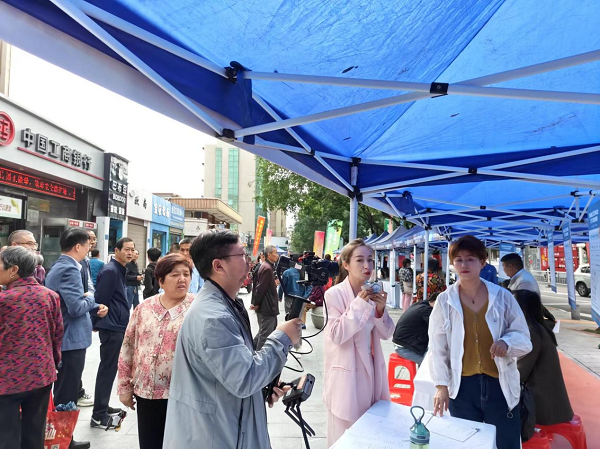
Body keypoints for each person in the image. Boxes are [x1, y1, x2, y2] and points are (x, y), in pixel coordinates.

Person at [162, 230, 302, 448]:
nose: (248, 262)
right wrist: (282, 338)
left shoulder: (227, 304)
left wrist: (262, 386)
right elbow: (245, 379)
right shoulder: (213, 318)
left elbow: (233, 371)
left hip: (226, 425)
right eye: (242, 255)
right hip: (214, 436)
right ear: (219, 266)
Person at [429, 235, 532, 449]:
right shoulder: (444, 301)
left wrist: (507, 343)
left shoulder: (502, 297)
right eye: (458, 260)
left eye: (470, 259)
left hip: (499, 385)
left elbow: (524, 338)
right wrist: (441, 385)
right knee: (467, 444)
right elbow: (437, 347)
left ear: (482, 262)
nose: (464, 265)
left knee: (506, 443)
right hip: (463, 387)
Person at [117, 254, 195, 449]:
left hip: (184, 395)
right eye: (175, 275)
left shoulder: (197, 309)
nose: (182, 279)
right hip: (147, 394)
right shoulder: (144, 308)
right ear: (160, 280)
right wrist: (124, 387)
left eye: (186, 274)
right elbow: (128, 347)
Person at [323, 239, 395, 447]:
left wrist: (380, 311)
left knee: (372, 435)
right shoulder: (334, 295)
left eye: (370, 260)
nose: (367, 265)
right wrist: (359, 305)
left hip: (372, 371)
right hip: (347, 376)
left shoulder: (373, 293)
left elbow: (387, 334)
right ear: (346, 264)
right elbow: (336, 335)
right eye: (360, 260)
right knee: (345, 438)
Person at [46, 228, 108, 449]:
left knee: (66, 389)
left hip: (68, 338)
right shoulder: (69, 269)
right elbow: (76, 307)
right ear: (78, 246)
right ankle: (63, 441)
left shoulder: (66, 265)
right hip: (70, 339)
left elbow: (82, 295)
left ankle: (63, 438)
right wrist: (91, 298)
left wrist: (91, 299)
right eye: (88, 244)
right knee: (66, 392)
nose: (90, 248)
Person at [0, 247, 64, 449]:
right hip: (41, 375)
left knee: (6, 436)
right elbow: (57, 335)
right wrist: (53, 363)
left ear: (13, 270)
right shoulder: (50, 296)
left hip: (6, 380)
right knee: (35, 432)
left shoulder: (4, 300)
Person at [90, 237, 134, 429]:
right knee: (107, 369)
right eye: (126, 249)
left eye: (132, 249)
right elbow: (101, 298)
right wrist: (96, 321)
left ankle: (102, 406)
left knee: (109, 369)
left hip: (117, 324)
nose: (130, 253)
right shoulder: (110, 271)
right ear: (116, 250)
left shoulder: (119, 269)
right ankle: (98, 415)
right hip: (111, 326)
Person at [513, 289, 574, 426]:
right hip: (551, 401)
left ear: (522, 308)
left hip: (541, 405)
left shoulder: (532, 333)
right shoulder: (540, 328)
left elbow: (520, 372)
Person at [392, 292, 439, 365]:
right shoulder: (427, 310)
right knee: (432, 364)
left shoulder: (420, 305)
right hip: (404, 348)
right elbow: (437, 329)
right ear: (436, 301)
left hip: (403, 343)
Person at [251, 244, 280, 350]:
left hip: (268, 306)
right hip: (267, 307)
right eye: (275, 253)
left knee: (264, 332)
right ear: (269, 254)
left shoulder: (267, 266)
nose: (277, 255)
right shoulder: (267, 268)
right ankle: (259, 356)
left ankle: (251, 349)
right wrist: (256, 303)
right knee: (265, 335)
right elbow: (260, 288)